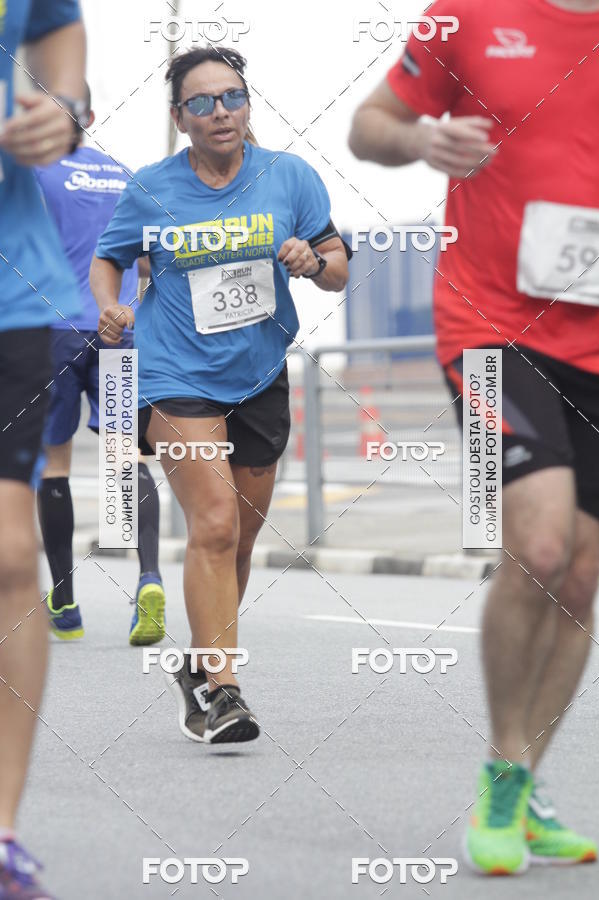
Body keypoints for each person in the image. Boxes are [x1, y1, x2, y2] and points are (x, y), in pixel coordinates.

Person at [348, 0, 599, 876]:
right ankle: (501, 769)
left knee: (581, 570)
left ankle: (528, 780)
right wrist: (420, 143)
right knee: (537, 543)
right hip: (491, 326)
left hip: (597, 341)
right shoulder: (471, 15)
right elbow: (370, 125)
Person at [90, 46, 350, 744]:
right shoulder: (150, 188)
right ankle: (222, 689)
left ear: (247, 102)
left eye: (231, 96)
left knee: (239, 541)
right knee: (212, 524)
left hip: (259, 376)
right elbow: (107, 257)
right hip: (176, 375)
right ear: (180, 117)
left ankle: (199, 666)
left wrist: (313, 259)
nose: (220, 112)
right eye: (201, 103)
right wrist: (110, 308)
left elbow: (338, 271)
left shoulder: (288, 176)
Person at [0, 2, 86, 897]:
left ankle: (1, 831)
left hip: (13, 292)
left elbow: (58, 22)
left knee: (8, 555)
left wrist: (64, 105)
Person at [35, 86, 166, 646]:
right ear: (89, 115)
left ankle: (64, 599)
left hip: (52, 330)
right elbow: (147, 261)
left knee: (55, 464)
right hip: (118, 330)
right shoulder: (122, 173)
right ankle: (149, 578)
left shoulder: (29, 173)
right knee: (124, 457)